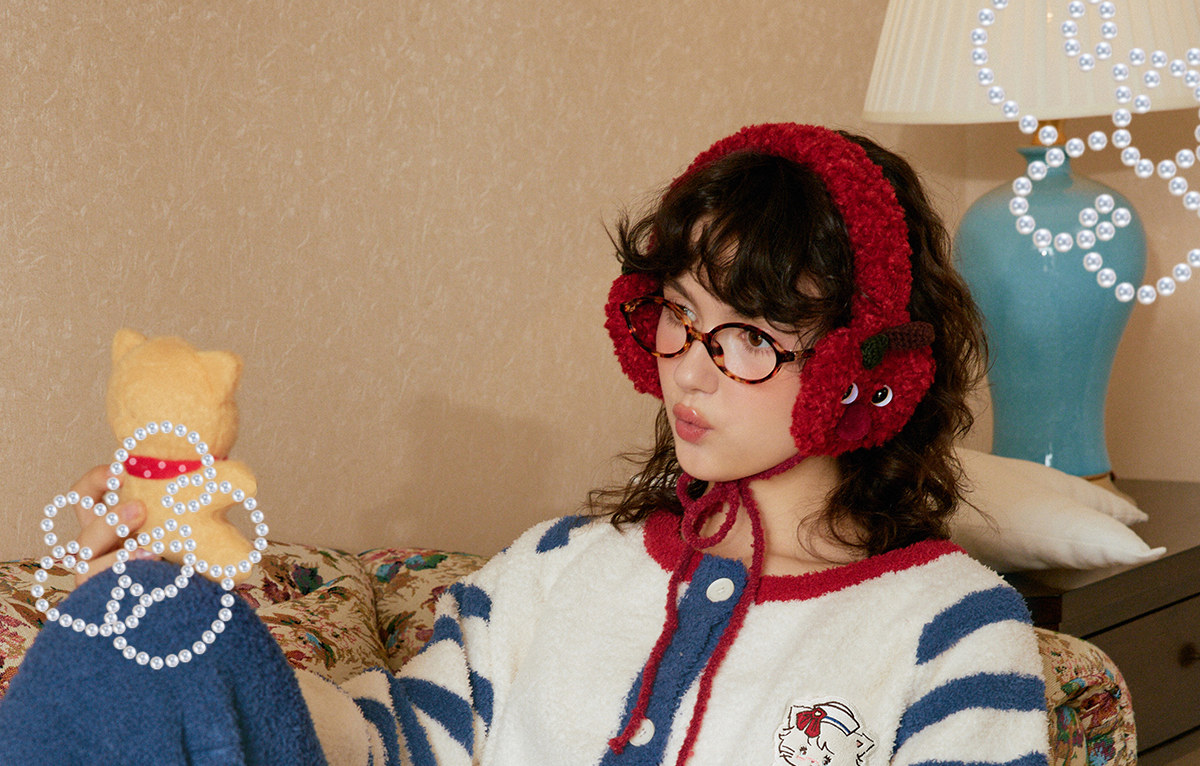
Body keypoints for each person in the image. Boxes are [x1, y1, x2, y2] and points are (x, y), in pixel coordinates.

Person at [0, 123, 1049, 766]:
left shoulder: (951, 630)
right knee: (149, 616)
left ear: (863, 371)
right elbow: (387, 749)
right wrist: (167, 606)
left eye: (747, 337)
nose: (687, 368)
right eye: (679, 315)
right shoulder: (555, 569)